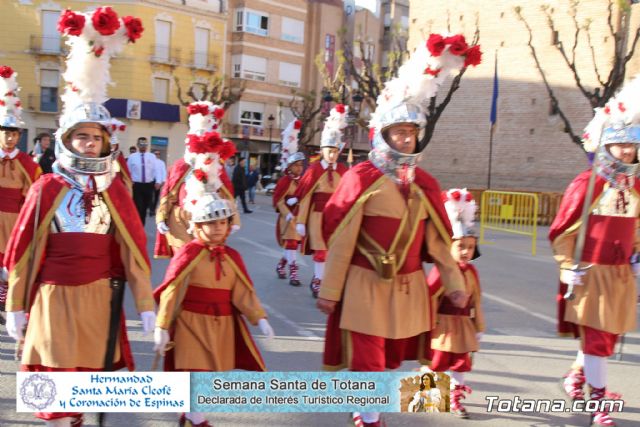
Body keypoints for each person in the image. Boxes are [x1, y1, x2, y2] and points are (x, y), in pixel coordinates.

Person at [3, 10, 155, 426]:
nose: (89, 145)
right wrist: (16, 306)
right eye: (82, 137)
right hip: (53, 297)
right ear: (68, 141)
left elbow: (133, 252)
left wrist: (145, 305)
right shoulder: (47, 187)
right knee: (56, 381)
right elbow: (23, 251)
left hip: (99, 299)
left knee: (88, 381)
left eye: (96, 138)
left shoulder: (116, 189)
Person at [317, 37, 473, 427]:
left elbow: (439, 242)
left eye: (411, 132)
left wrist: (453, 282)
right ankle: (369, 419)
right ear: (383, 135)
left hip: (407, 288)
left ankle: (366, 407)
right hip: (365, 283)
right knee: (368, 356)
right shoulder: (361, 177)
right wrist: (330, 290)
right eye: (399, 132)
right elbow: (341, 238)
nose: (406, 139)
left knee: (390, 358)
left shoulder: (426, 183)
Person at [550, 78, 640, 427]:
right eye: (620, 146)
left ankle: (578, 376)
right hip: (591, 274)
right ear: (606, 146)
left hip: (620, 275)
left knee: (608, 335)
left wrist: (636, 255)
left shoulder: (635, 187)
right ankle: (598, 403)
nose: (628, 153)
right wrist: (567, 265)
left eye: (632, 146)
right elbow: (561, 231)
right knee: (599, 340)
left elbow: (635, 229)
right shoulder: (587, 184)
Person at [153, 193, 274, 427]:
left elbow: (243, 292)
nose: (217, 228)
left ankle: (189, 415)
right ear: (198, 225)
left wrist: (260, 318)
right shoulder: (189, 254)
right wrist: (162, 325)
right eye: (210, 222)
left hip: (222, 326)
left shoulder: (232, 257)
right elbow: (172, 292)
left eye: (222, 222)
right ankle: (197, 419)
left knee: (207, 377)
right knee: (195, 373)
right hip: (191, 323)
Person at [154, 102, 239, 259]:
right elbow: (168, 195)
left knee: (204, 263)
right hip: (181, 220)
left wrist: (234, 218)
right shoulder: (181, 166)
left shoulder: (217, 167)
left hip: (210, 222)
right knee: (184, 261)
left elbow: (227, 195)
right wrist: (161, 217)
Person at [428, 188, 484, 418]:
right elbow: (430, 296)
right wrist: (428, 325)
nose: (466, 252)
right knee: (438, 363)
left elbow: (477, 301)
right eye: (460, 246)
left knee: (461, 363)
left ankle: (455, 396)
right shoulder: (441, 271)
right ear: (449, 246)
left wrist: (479, 327)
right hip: (442, 326)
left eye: (470, 247)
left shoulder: (472, 272)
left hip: (463, 326)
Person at [0, 66, 42, 323]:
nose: (10, 138)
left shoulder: (29, 165)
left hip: (15, 222)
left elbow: (34, 199)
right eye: (5, 133)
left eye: (14, 134)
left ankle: (5, 303)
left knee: (10, 265)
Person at [295, 105, 348, 297]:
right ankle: (318, 280)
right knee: (320, 252)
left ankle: (327, 280)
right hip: (317, 216)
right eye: (329, 151)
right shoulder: (314, 170)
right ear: (322, 150)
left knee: (334, 252)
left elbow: (348, 195)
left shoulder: (343, 171)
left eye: (336, 151)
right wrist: (301, 221)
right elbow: (306, 196)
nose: (333, 155)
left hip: (335, 217)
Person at [273, 119, 305, 286]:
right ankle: (293, 272)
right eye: (296, 165)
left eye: (301, 165)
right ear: (289, 166)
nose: (299, 168)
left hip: (299, 218)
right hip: (288, 218)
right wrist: (288, 213)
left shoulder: (303, 181)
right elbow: (278, 201)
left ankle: (281, 265)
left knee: (293, 245)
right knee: (291, 244)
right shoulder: (285, 181)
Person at [127, 136, 157, 225]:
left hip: (148, 185)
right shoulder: (132, 157)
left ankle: (141, 225)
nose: (143, 146)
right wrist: (129, 182)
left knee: (144, 208)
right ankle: (136, 225)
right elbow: (128, 171)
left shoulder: (152, 156)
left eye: (145, 144)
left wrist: (158, 181)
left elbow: (155, 169)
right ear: (137, 145)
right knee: (138, 207)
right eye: (141, 144)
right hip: (137, 185)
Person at [150, 150, 167, 216]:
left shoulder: (161, 162)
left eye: (158, 154)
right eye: (156, 154)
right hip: (151, 180)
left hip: (158, 181)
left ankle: (153, 209)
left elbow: (163, 172)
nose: (157, 155)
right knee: (151, 196)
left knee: (156, 196)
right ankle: (151, 210)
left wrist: (163, 181)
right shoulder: (150, 162)